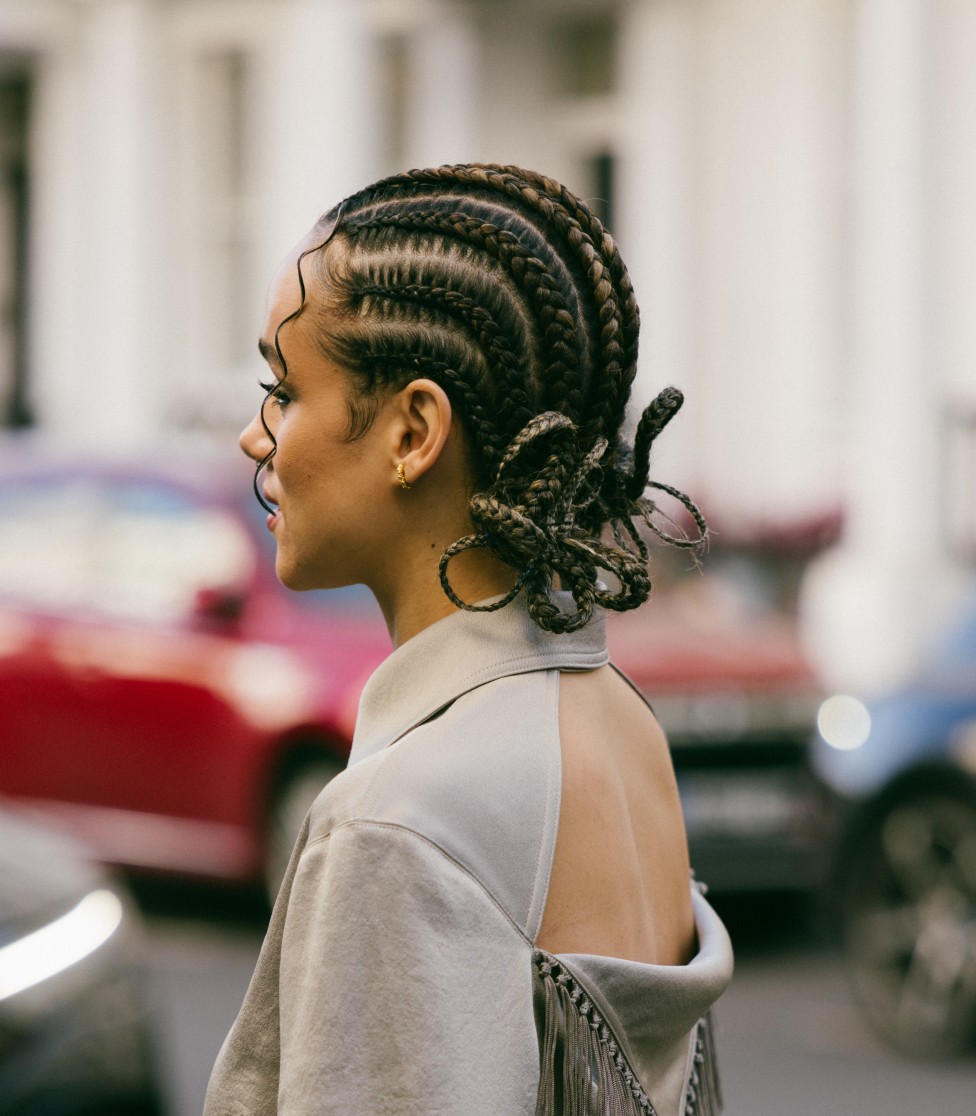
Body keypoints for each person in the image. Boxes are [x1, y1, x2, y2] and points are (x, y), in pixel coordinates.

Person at [204, 164, 733, 1116]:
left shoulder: (398, 820)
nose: (255, 436)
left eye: (284, 389)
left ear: (414, 430)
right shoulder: (624, 723)